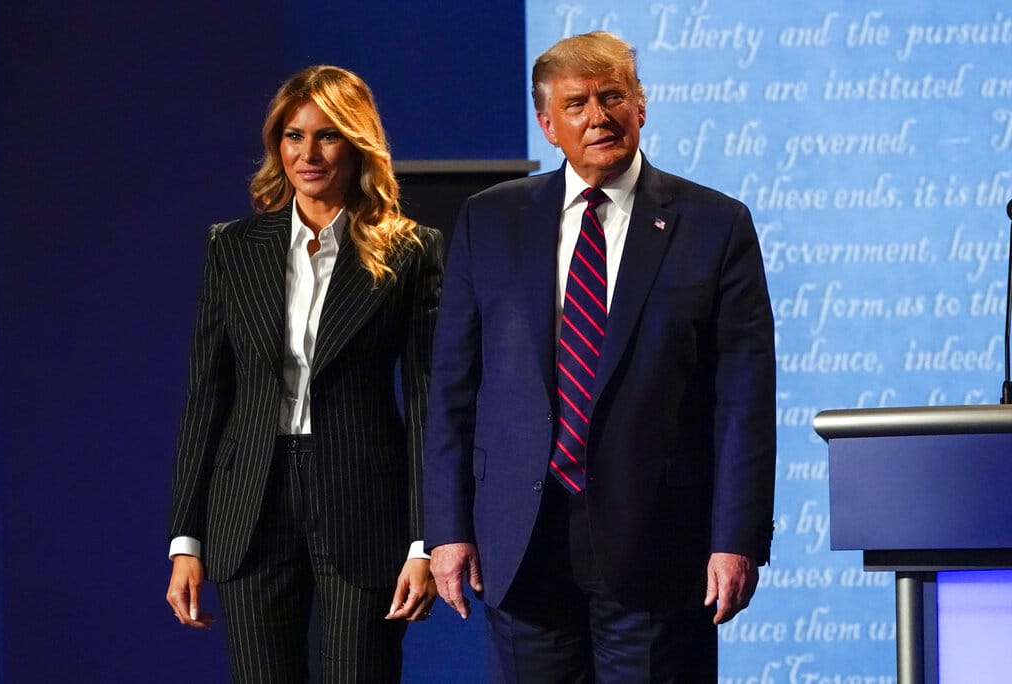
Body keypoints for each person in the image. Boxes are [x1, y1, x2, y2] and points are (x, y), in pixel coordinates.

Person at [424, 31, 776, 682]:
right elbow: (453, 390)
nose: (598, 116)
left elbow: (743, 404)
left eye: (613, 96)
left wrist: (736, 538)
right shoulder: (489, 221)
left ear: (641, 107)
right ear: (547, 123)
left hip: (660, 546)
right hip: (522, 542)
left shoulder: (714, 224)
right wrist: (444, 529)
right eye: (577, 102)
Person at [165, 65, 442, 683]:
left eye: (327, 136)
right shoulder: (233, 247)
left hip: (364, 501)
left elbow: (428, 403)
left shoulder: (411, 250)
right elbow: (207, 397)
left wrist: (424, 542)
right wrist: (185, 540)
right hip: (251, 503)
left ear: (357, 143)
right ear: (277, 146)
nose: (308, 153)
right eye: (293, 136)